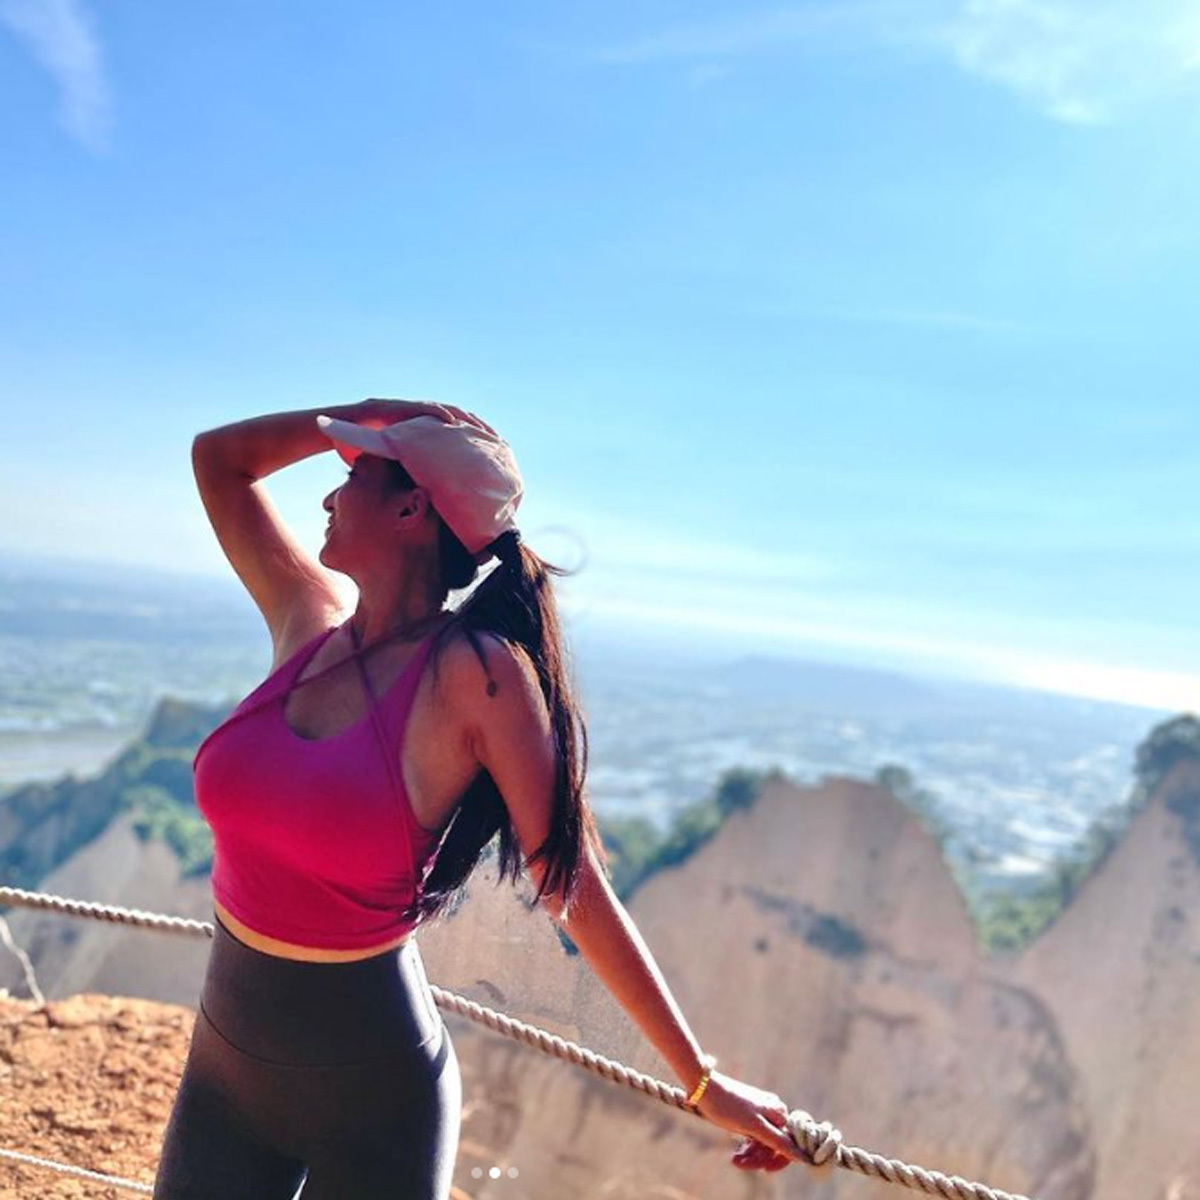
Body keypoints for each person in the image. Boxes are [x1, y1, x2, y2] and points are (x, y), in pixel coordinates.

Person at [152, 397, 810, 1199]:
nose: (328, 495)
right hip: (224, 1085)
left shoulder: (477, 675)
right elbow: (219, 461)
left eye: (353, 477)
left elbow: (571, 882)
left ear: (411, 508)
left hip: (375, 1109)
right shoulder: (306, 621)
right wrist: (365, 413)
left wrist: (701, 1081)